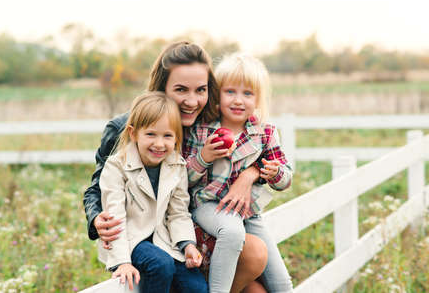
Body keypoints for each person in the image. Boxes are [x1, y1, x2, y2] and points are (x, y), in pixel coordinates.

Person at [83, 41, 268, 292]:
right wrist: (96, 218)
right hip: (144, 235)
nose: (192, 101)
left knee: (257, 281)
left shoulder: (209, 123)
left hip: (191, 231)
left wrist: (251, 173)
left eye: (201, 90)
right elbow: (98, 188)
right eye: (181, 89)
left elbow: (257, 144)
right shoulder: (125, 128)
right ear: (162, 87)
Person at [183, 52, 294, 293]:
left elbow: (286, 178)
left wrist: (274, 173)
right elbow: (183, 179)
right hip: (209, 204)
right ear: (218, 94)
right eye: (230, 91)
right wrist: (204, 158)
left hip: (248, 213)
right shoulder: (202, 130)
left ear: (258, 99)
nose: (238, 100)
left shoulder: (264, 133)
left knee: (282, 284)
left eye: (247, 93)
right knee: (231, 232)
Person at [98, 92, 206, 292]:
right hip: (132, 237)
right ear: (133, 133)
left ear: (176, 138)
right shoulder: (116, 166)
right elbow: (115, 217)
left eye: (167, 136)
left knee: (197, 287)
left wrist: (188, 244)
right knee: (161, 265)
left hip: (164, 239)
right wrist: (122, 261)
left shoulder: (176, 165)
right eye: (150, 134)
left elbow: (178, 213)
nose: (159, 144)